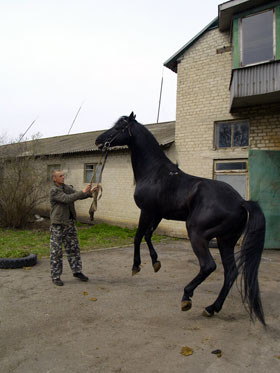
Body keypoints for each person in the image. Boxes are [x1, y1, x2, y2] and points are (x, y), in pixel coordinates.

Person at [49, 170, 98, 286]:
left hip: (70, 223)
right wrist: (83, 191)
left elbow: (77, 195)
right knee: (56, 252)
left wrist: (90, 192)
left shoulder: (67, 187)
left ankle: (77, 271)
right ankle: (56, 276)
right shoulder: (54, 190)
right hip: (58, 225)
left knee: (74, 249)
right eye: (60, 176)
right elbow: (67, 199)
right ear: (54, 178)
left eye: (63, 175)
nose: (63, 177)